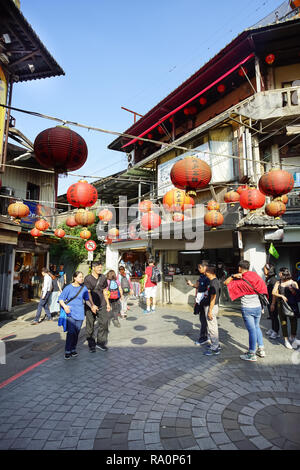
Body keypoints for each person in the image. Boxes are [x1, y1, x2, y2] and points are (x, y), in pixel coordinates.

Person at [224, 260, 268, 362]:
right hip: (258, 307)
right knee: (257, 327)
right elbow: (263, 287)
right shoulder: (255, 276)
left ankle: (251, 353)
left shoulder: (239, 279)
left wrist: (232, 276)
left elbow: (226, 283)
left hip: (247, 308)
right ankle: (261, 349)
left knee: (251, 330)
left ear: (240, 268)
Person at [59, 271, 97, 360]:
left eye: (82, 277)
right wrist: (65, 307)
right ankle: (67, 350)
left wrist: (92, 306)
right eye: (80, 277)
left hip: (80, 314)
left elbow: (86, 299)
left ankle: (73, 348)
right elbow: (61, 299)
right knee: (71, 332)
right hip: (70, 313)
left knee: (76, 333)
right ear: (75, 278)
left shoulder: (83, 288)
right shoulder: (68, 288)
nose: (82, 278)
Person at [84, 262, 111, 353]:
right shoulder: (87, 278)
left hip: (102, 303)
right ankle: (91, 344)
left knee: (104, 322)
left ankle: (100, 343)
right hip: (90, 305)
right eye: (99, 267)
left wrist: (107, 303)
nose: (100, 269)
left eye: (101, 267)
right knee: (90, 325)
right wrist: (92, 305)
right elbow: (88, 293)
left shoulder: (103, 277)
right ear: (93, 268)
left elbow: (105, 291)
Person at [272, 267, 299, 350]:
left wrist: (293, 290)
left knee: (294, 321)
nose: (279, 274)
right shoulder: (278, 282)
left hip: (292, 305)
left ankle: (293, 336)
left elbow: (297, 295)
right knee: (283, 322)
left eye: (280, 273)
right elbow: (273, 292)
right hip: (281, 305)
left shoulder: (293, 283)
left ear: (284, 274)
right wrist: (279, 298)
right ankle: (286, 340)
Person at [187, 261, 210, 345]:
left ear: (205, 267)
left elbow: (210, 290)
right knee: (202, 319)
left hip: (205, 301)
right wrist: (191, 284)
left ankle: (204, 337)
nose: (198, 269)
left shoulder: (208, 277)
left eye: (200, 267)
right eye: (198, 267)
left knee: (204, 320)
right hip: (200, 301)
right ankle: (206, 336)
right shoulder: (201, 276)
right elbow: (198, 286)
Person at [203, 265, 221, 356]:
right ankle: (216, 344)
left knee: (212, 327)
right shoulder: (214, 281)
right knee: (213, 326)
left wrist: (210, 310)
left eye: (206, 272)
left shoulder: (214, 283)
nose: (205, 273)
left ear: (210, 272)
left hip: (212, 307)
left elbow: (213, 297)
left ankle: (215, 347)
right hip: (213, 306)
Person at [263, 264, 280, 339]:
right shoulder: (269, 278)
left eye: (265, 269)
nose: (264, 270)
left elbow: (275, 293)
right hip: (269, 301)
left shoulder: (273, 279)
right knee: (272, 316)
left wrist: (273, 303)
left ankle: (276, 332)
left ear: (269, 270)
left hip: (273, 301)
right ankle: (273, 329)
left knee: (274, 316)